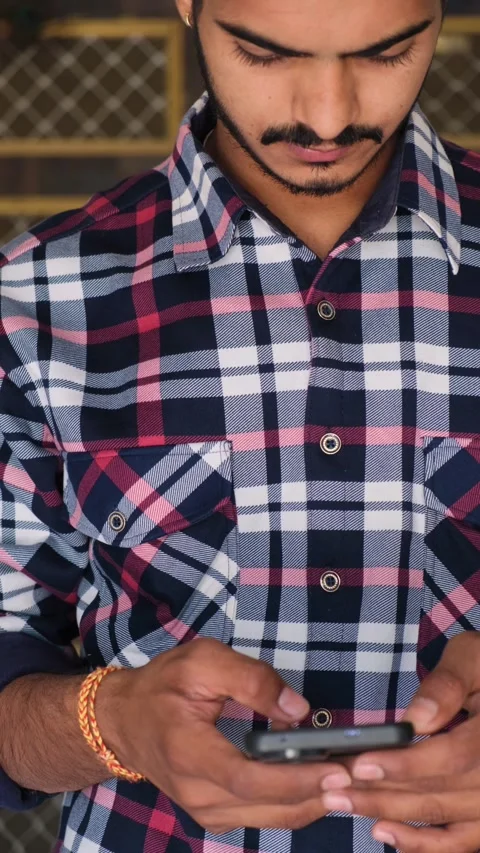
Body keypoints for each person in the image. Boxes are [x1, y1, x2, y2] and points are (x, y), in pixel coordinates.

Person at [1, 0, 480, 850]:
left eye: (388, 53)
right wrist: (113, 720)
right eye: (264, 54)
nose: (329, 117)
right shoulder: (32, 303)